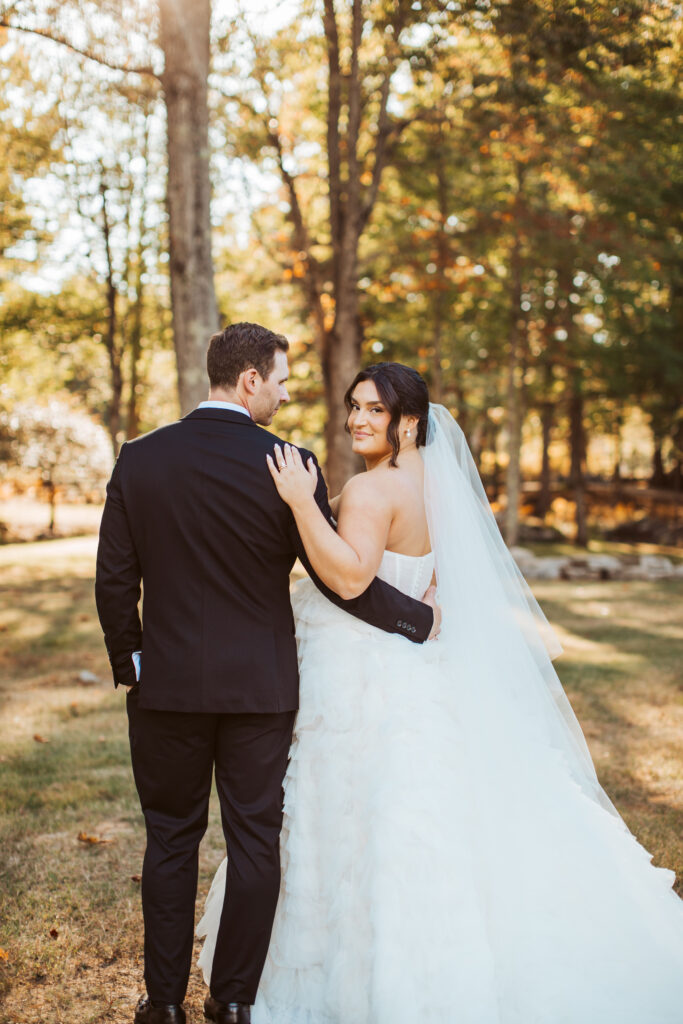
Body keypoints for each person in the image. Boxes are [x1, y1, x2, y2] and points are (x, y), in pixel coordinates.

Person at [197, 361, 683, 1023]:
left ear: (410, 422)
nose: (358, 420)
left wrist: (297, 503)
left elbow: (347, 577)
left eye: (374, 410)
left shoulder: (371, 491)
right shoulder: (436, 484)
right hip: (418, 663)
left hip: (358, 670)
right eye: (354, 407)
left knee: (349, 811)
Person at [95, 326, 440, 1024]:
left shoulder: (139, 459)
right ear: (249, 380)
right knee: (255, 842)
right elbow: (339, 577)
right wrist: (417, 619)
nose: (286, 393)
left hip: (164, 690)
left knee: (170, 839)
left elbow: (113, 577)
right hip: (261, 691)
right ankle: (233, 1002)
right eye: (280, 379)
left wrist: (130, 658)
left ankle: (161, 1004)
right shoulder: (289, 464)